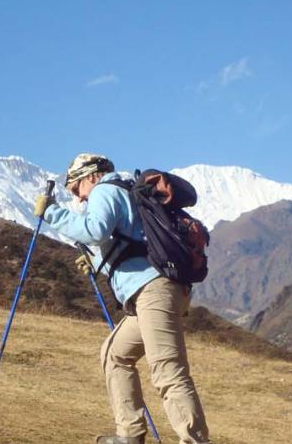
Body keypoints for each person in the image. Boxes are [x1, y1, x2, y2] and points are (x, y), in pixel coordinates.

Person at [34, 153, 211, 444]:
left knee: (168, 370)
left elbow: (93, 230)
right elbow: (129, 242)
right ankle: (129, 435)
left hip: (154, 291)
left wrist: (51, 212)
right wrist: (96, 260)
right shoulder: (124, 192)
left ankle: (194, 440)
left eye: (76, 188)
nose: (78, 198)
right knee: (115, 355)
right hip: (156, 291)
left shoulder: (105, 189)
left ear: (91, 175)